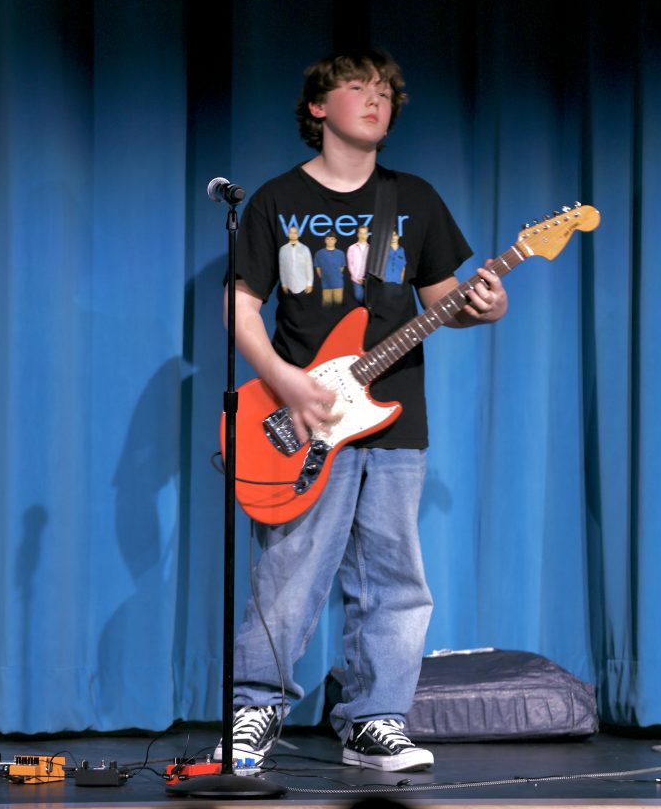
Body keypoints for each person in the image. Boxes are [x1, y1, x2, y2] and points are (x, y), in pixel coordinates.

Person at [216, 51, 508, 772]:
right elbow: (239, 305)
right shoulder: (275, 200)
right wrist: (285, 382)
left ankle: (374, 721)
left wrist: (483, 306)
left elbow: (443, 305)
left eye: (384, 92)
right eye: (357, 88)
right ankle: (254, 711)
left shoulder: (414, 199)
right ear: (317, 107)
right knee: (289, 573)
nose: (375, 101)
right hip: (302, 417)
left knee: (393, 577)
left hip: (393, 416)